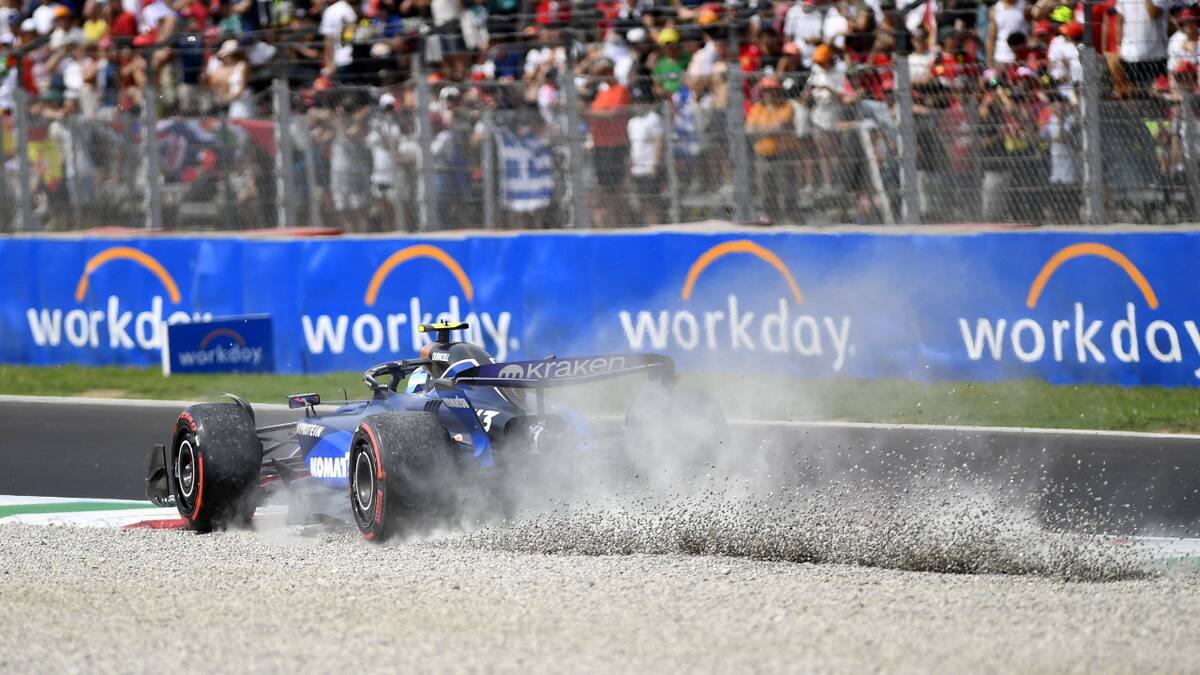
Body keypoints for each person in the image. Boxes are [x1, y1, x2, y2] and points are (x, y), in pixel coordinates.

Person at [584, 58, 632, 226]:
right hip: (599, 146)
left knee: (615, 190)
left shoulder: (620, 90)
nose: (599, 78)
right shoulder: (602, 93)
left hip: (615, 146)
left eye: (601, 74)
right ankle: (610, 225)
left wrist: (585, 113)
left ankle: (621, 225)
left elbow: (613, 115)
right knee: (602, 190)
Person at [746, 75, 795, 221]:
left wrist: (760, 129)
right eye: (766, 90)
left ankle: (788, 217)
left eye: (772, 90)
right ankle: (769, 216)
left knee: (786, 189)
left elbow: (780, 127)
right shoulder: (757, 108)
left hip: (784, 155)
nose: (769, 94)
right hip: (763, 155)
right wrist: (769, 129)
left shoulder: (787, 106)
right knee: (765, 188)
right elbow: (748, 130)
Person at [626, 86, 665, 224]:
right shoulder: (632, 122)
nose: (638, 104)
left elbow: (659, 141)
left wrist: (655, 164)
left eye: (641, 101)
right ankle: (647, 226)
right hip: (637, 169)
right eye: (636, 101)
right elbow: (632, 146)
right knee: (641, 201)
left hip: (649, 167)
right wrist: (630, 168)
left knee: (652, 201)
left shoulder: (653, 118)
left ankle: (655, 227)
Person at [1115, 0, 1171, 92]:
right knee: (1134, 96)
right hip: (1130, 55)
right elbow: (1120, 21)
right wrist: (1119, 48)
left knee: (1157, 97)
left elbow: (1153, 14)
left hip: (1155, 56)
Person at [986, 0, 1030, 65]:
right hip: (1001, 59)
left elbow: (1034, 33)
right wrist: (989, 62)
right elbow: (991, 38)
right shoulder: (995, 9)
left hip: (1023, 59)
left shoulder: (1026, 6)